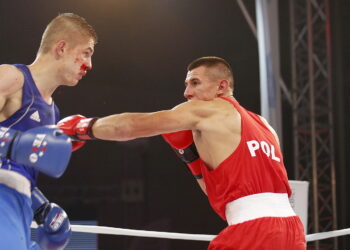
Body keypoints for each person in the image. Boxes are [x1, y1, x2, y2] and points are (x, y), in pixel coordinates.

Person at [58, 56, 306, 249]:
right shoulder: (265, 126)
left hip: (253, 233)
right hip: (292, 232)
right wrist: (190, 155)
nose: (187, 93)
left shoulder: (205, 111)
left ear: (221, 86)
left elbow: (132, 126)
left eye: (195, 83)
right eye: (186, 84)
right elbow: (225, 196)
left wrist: (85, 128)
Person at [0, 13, 97, 250]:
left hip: (18, 207)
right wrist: (14, 143)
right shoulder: (12, 77)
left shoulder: (53, 113)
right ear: (62, 47)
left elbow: (19, 172)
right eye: (86, 53)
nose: (89, 64)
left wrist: (40, 207)